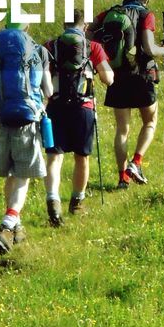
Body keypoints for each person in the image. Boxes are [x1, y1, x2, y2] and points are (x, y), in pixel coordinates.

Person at [0, 22, 53, 254]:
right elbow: (49, 91)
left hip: (2, 119)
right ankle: (8, 224)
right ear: (27, 27)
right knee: (23, 176)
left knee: (12, 173)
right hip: (27, 121)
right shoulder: (37, 51)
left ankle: (17, 228)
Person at [94, 0, 164, 188]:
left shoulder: (109, 14)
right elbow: (149, 47)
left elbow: (88, 32)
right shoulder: (147, 15)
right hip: (141, 75)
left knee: (122, 129)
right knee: (150, 121)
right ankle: (136, 163)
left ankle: (122, 178)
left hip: (117, 75)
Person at [43, 13, 114, 223]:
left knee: (54, 157)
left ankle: (53, 202)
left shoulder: (49, 46)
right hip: (83, 107)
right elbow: (108, 79)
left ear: (63, 24)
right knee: (82, 157)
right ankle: (77, 202)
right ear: (84, 26)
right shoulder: (93, 47)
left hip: (55, 106)